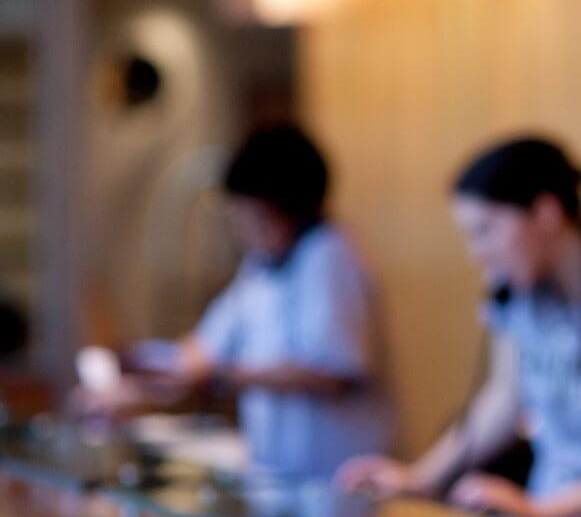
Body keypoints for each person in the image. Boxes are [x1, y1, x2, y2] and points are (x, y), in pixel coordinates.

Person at [336, 137, 581, 517]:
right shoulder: (514, 292)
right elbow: (503, 401)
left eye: (486, 231)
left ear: (546, 213)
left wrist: (541, 510)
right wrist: (420, 479)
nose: (478, 254)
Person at [78, 123, 393, 481]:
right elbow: (207, 347)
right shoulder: (261, 267)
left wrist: (225, 376)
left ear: (275, 210)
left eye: (246, 212)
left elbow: (331, 372)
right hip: (277, 471)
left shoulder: (331, 258)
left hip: (335, 475)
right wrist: (137, 386)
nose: (241, 225)